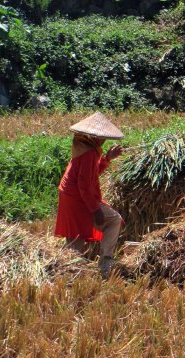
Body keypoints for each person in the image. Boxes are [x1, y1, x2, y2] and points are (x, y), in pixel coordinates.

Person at [54, 112, 125, 278]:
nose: (104, 141)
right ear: (94, 137)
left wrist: (107, 158)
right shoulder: (89, 153)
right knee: (114, 219)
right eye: (102, 138)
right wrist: (94, 209)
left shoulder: (83, 148)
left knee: (76, 236)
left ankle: (66, 271)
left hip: (69, 196)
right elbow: (84, 185)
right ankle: (106, 264)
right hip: (77, 197)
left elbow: (89, 176)